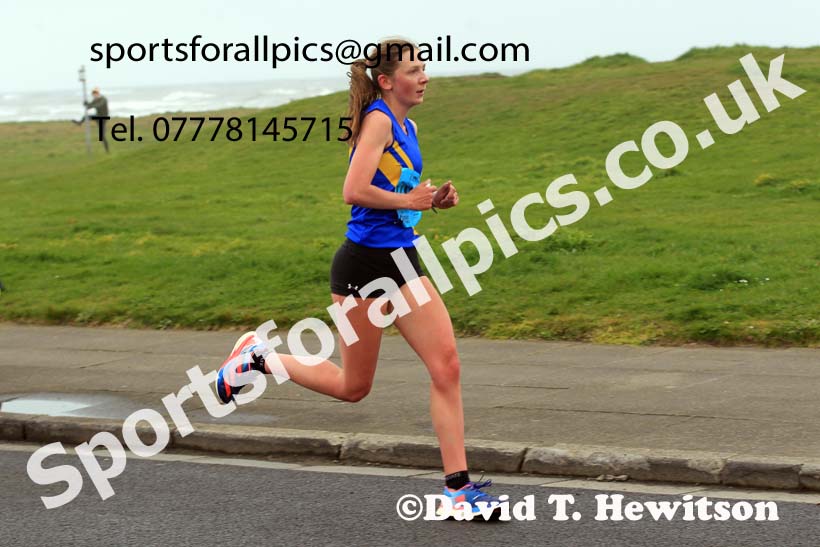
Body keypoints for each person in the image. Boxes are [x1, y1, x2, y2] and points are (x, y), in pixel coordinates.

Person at [215, 38, 502, 516]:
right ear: (386, 81)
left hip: (404, 259)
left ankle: (457, 491)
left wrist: (430, 201)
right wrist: (408, 200)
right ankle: (257, 359)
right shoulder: (378, 121)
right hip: (364, 268)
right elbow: (353, 190)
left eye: (424, 67)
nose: (425, 76)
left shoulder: (408, 126)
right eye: (413, 70)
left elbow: (394, 190)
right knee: (353, 387)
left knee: (447, 366)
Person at [74, 87, 109, 153]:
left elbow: (98, 105)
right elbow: (89, 106)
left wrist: (90, 105)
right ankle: (79, 123)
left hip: (103, 118)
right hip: (97, 116)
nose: (94, 94)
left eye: (95, 93)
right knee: (86, 116)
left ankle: (107, 150)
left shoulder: (103, 99)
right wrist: (86, 104)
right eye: (93, 93)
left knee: (102, 136)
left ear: (98, 93)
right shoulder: (95, 100)